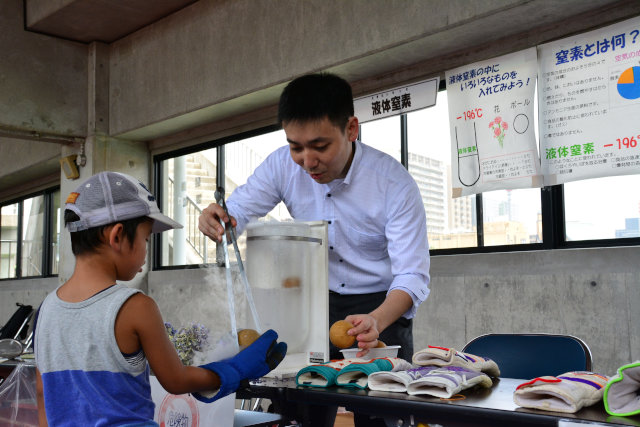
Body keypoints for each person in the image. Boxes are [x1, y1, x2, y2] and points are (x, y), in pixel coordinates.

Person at [199, 73, 430, 426]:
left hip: (379, 307)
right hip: (313, 302)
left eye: (320, 146)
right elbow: (238, 212)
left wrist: (377, 321)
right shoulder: (281, 165)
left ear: (351, 129)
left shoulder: (392, 184)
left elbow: (412, 275)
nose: (307, 161)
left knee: (381, 414)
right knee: (299, 408)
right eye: (296, 146)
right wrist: (219, 219)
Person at [34, 171, 286, 426]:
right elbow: (176, 380)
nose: (146, 250)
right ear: (117, 236)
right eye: (145, 239)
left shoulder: (45, 311)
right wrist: (236, 369)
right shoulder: (134, 306)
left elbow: (43, 393)